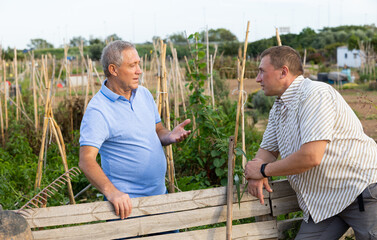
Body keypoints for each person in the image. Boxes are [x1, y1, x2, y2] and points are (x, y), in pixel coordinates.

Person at [244, 46, 377, 239]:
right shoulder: (279, 107)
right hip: (324, 202)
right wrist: (256, 172)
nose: (257, 79)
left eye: (262, 71)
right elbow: (267, 150)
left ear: (283, 72)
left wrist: (264, 170)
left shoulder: (315, 94)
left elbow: (311, 156)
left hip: (360, 191)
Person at [79, 40, 191, 220]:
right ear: (114, 70)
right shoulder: (98, 110)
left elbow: (157, 130)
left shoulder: (144, 94)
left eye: (138, 64)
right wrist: (113, 193)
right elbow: (86, 161)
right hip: (125, 206)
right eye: (132, 65)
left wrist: (169, 136)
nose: (139, 70)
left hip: (159, 198)